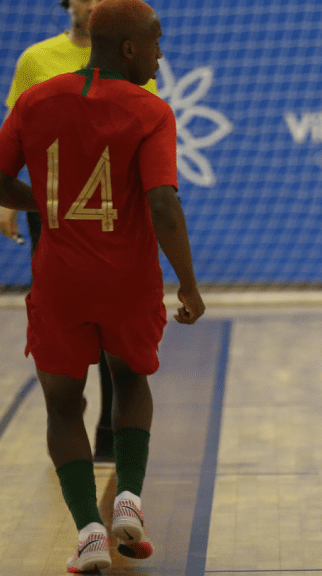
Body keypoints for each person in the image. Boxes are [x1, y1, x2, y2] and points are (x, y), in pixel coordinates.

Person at [0, 0, 204, 571]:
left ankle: (90, 530)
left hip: (60, 278)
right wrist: (188, 283)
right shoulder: (150, 110)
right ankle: (130, 504)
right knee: (130, 378)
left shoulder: (38, 99)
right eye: (157, 43)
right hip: (127, 279)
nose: (162, 54)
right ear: (131, 48)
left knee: (62, 404)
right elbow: (163, 202)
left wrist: (40, 201)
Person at [1, 0, 161, 463]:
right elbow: (14, 134)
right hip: (52, 203)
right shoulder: (36, 60)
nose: (92, 3)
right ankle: (69, 400)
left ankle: (112, 429)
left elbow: (144, 123)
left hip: (113, 204)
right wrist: (15, 201)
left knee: (118, 318)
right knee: (65, 307)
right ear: (66, 4)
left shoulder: (132, 56)